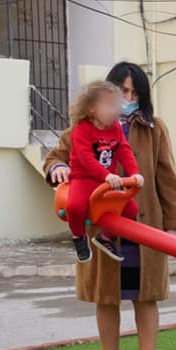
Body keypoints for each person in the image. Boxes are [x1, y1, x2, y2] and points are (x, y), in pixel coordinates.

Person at [44, 62, 176, 350]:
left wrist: (174, 226)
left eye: (134, 93)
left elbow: (167, 178)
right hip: (102, 228)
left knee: (145, 296)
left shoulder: (154, 128)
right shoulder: (84, 126)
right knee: (105, 298)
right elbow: (54, 157)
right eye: (122, 91)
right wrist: (59, 168)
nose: (128, 98)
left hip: (142, 224)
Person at [64, 81, 144, 263]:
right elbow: (86, 159)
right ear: (91, 108)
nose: (114, 110)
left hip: (107, 180)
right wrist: (106, 175)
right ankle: (78, 237)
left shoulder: (115, 127)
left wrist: (134, 173)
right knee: (75, 207)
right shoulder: (81, 130)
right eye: (109, 105)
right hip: (84, 178)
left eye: (116, 105)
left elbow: (124, 150)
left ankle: (106, 236)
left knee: (131, 209)